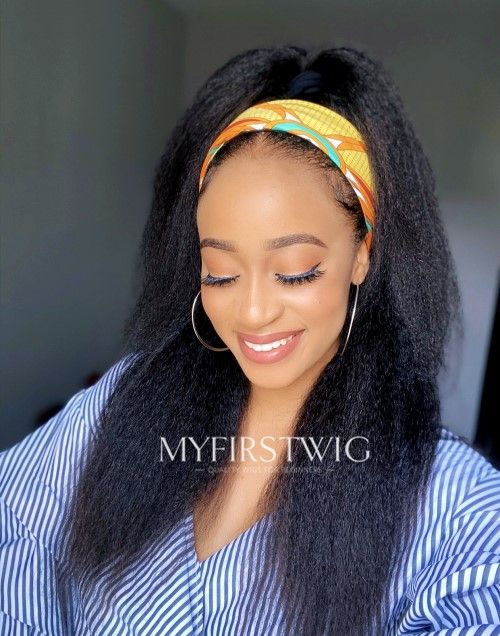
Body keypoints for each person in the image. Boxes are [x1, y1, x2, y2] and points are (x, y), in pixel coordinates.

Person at [1, 45, 499, 636]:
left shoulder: (456, 505)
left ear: (363, 253)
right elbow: (17, 525)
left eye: (295, 272)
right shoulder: (124, 401)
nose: (255, 312)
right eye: (221, 274)